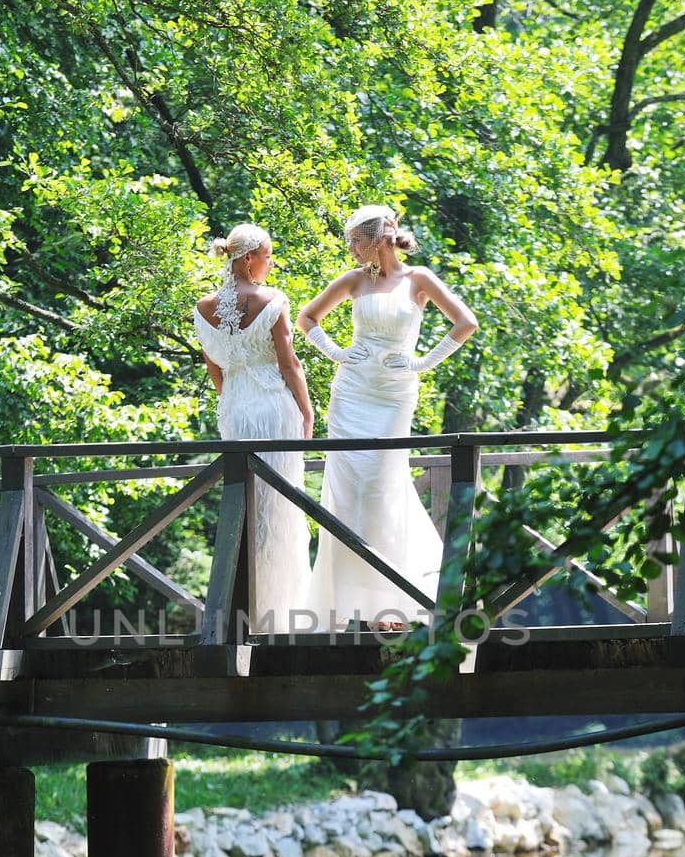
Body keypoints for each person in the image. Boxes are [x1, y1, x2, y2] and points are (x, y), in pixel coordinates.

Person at [296, 204, 477, 630]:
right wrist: (337, 352)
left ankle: (392, 603)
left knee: (380, 486)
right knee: (346, 492)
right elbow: (306, 319)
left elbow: (465, 322)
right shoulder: (354, 280)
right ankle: (345, 605)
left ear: (379, 239)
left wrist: (423, 363)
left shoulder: (419, 279)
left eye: (356, 241)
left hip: (394, 394)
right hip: (352, 392)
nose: (351, 249)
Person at [194, 223, 313, 633]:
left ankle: (244, 612)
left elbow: (214, 367)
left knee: (244, 504)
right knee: (280, 505)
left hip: (235, 409)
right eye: (268, 255)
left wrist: (233, 400)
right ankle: (283, 615)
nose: (271, 262)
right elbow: (289, 364)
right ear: (249, 259)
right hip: (274, 407)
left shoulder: (202, 307)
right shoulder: (273, 300)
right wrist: (307, 412)